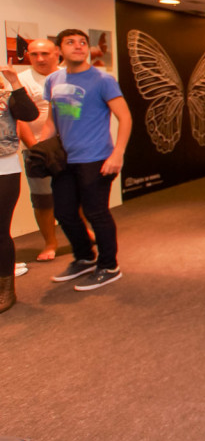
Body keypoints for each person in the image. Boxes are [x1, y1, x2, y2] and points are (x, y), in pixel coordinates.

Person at [41, 29, 132, 291]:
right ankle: (84, 257)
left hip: (96, 157)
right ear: (60, 50)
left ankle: (108, 265)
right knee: (64, 212)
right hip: (64, 159)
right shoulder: (53, 80)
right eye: (71, 43)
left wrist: (118, 154)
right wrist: (43, 149)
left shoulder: (103, 80)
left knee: (96, 212)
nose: (78, 47)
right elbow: (51, 120)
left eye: (83, 43)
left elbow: (124, 117)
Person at [15, 39, 62, 261]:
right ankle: (50, 243)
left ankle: (83, 231)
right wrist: (36, 150)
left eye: (45, 53)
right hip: (35, 147)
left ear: (57, 54)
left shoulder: (67, 77)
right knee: (43, 198)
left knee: (74, 192)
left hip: (66, 146)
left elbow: (75, 112)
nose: (40, 58)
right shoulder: (20, 80)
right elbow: (19, 120)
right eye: (34, 54)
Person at [1, 63, 40, 313]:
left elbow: (29, 114)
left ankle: (6, 291)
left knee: (0, 230)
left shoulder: (6, 98)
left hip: (3, 168)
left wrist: (14, 83)